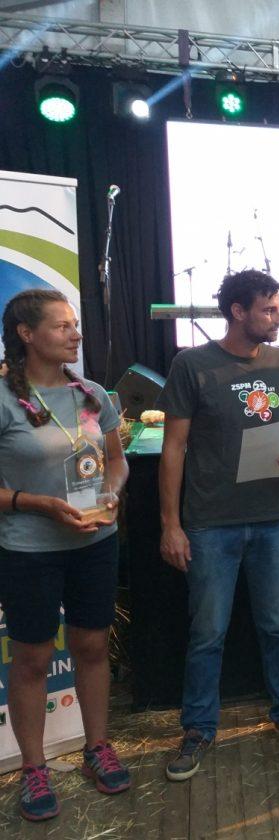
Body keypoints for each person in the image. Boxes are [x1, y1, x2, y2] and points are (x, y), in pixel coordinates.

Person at [158, 269, 279, 782]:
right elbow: (173, 448)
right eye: (269, 309)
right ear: (238, 311)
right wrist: (170, 524)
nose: (278, 317)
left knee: (277, 625)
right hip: (211, 523)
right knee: (208, 632)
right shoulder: (192, 364)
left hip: (276, 518)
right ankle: (198, 728)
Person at [0, 289, 130, 821]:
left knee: (93, 645)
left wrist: (112, 495)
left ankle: (96, 747)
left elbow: (116, 461)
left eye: (75, 324)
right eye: (62, 326)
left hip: (94, 543)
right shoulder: (4, 400)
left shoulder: (93, 394)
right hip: (29, 549)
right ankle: (34, 769)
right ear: (27, 335)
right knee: (31, 658)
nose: (76, 334)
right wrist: (37, 504)